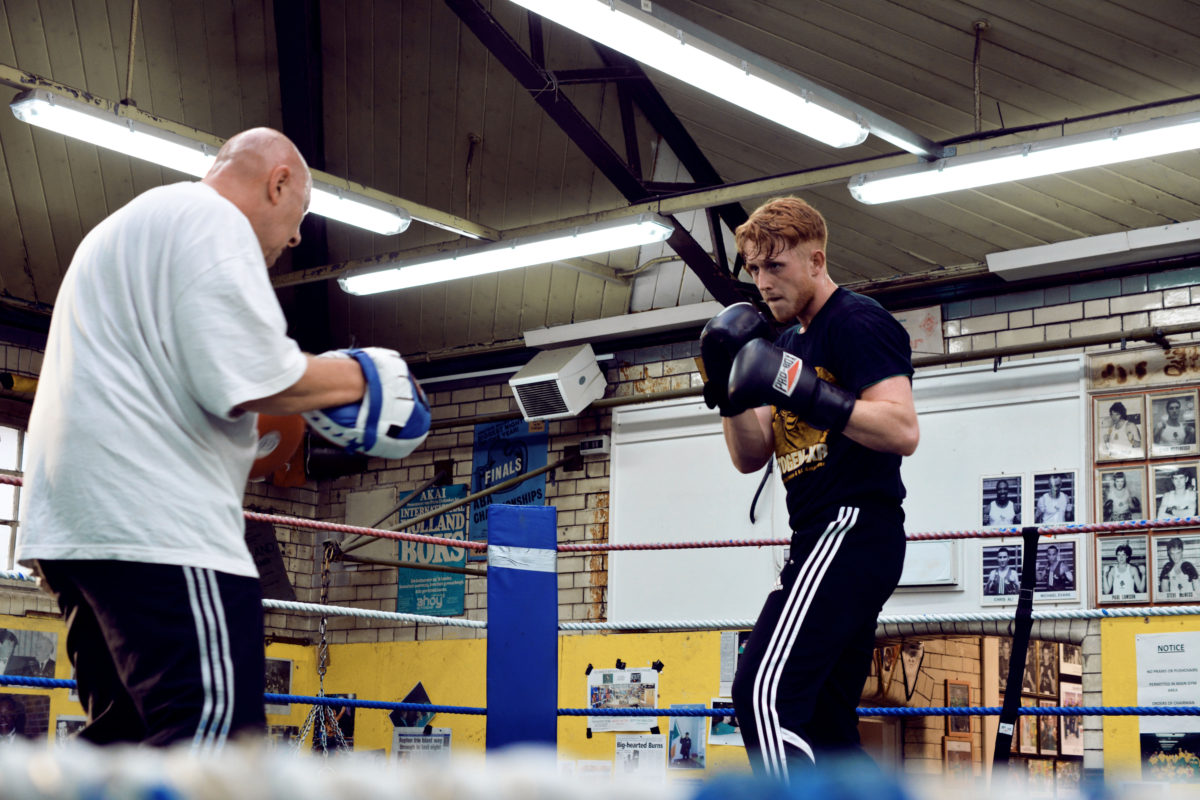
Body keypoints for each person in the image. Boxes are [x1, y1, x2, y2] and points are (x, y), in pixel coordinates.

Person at [16, 128, 426, 750]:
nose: (294, 237)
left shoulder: (129, 228)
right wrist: (363, 377)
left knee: (124, 750)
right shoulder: (212, 221)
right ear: (278, 181)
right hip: (158, 532)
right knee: (217, 749)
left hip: (73, 536)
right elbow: (251, 373)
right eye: (300, 216)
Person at [702, 197, 918, 779]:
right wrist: (726, 389)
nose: (763, 282)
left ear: (816, 260)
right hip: (820, 539)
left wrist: (808, 391)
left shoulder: (857, 321)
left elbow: (902, 429)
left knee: (763, 696)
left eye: (776, 266)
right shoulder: (788, 347)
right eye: (753, 269)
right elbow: (751, 457)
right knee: (823, 721)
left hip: (850, 527)